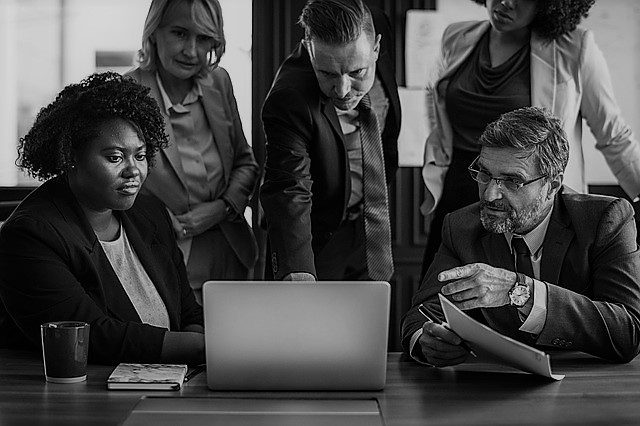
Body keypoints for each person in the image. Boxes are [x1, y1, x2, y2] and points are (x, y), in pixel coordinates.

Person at [419, 0, 640, 280]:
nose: (505, 2)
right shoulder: (457, 36)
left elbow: (614, 135)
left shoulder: (574, 47)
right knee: (440, 296)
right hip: (462, 188)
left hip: (526, 194)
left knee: (523, 301)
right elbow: (437, 106)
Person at [402, 107, 640, 365]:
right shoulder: (461, 226)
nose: (490, 195)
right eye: (484, 174)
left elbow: (628, 332)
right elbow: (422, 314)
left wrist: (522, 291)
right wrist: (426, 341)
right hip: (492, 388)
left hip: (585, 384)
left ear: (553, 185)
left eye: (513, 181)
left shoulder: (605, 219)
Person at [0, 72, 205, 365]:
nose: (134, 171)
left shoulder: (151, 214)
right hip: (79, 397)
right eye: (115, 158)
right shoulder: (31, 235)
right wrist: (200, 349)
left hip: (167, 382)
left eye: (141, 155)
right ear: (71, 157)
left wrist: (197, 360)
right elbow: (91, 336)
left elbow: (188, 313)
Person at [260, 0, 401, 282]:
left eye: (357, 72)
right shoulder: (289, 99)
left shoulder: (375, 23)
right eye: (327, 74)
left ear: (376, 48)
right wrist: (297, 268)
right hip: (317, 236)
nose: (343, 90)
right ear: (310, 49)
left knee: (369, 322)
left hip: (371, 227)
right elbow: (289, 188)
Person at [127, 0, 259, 299]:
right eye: (179, 33)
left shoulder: (219, 80)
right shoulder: (129, 91)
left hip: (232, 257)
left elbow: (245, 162)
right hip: (162, 260)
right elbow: (115, 183)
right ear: (154, 31)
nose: (192, 51)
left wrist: (221, 208)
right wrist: (161, 217)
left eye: (204, 38)